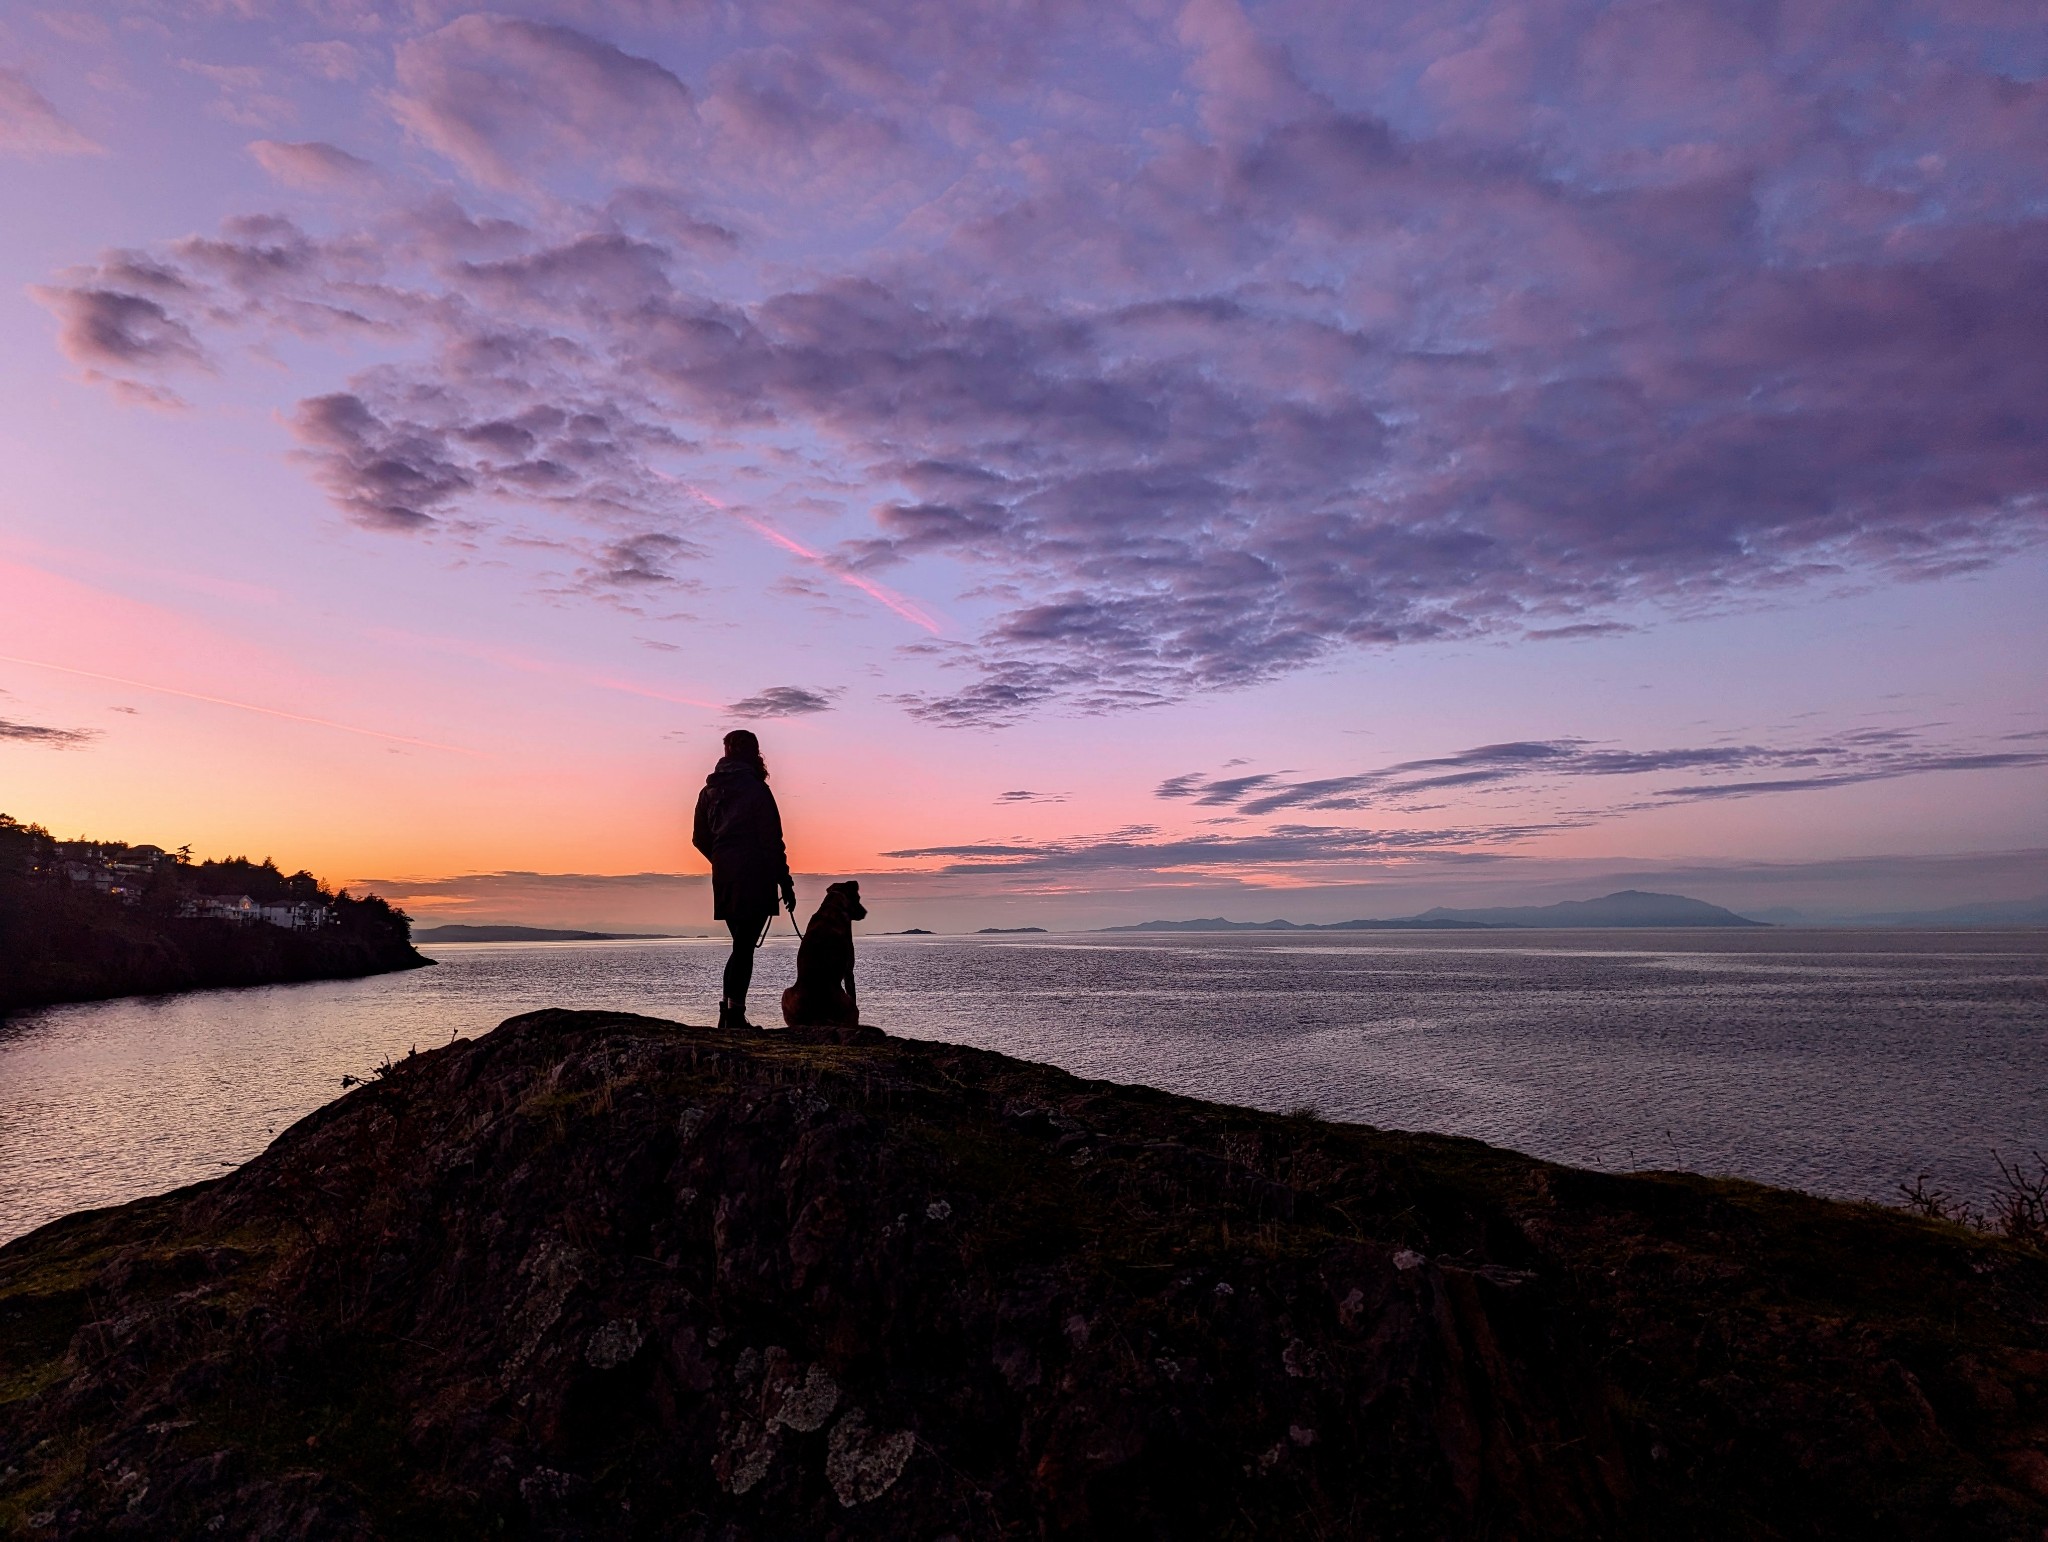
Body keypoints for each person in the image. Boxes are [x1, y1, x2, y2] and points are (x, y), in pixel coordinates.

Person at [692, 729, 796, 1030]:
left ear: (726, 752)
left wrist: (722, 860)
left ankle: (729, 1012)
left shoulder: (707, 792)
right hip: (754, 873)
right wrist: (784, 881)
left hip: (725, 875)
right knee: (744, 946)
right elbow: (772, 841)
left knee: (741, 944)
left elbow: (699, 839)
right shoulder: (756, 789)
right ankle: (734, 1015)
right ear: (754, 753)